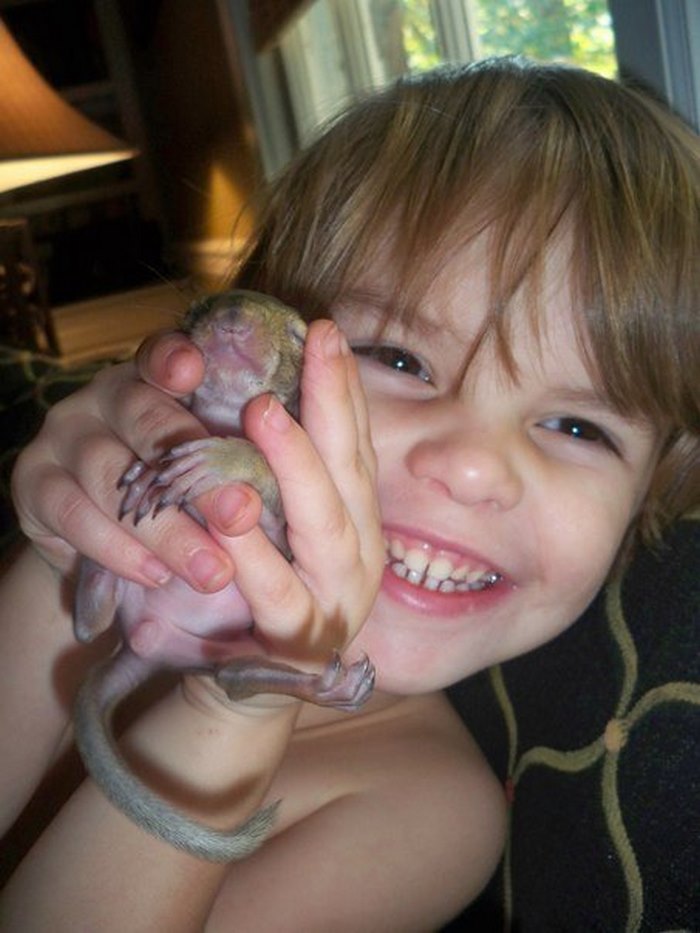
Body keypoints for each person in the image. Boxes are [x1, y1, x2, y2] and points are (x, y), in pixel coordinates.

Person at [1, 56, 698, 930]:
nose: (475, 466)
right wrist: (64, 548)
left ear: (645, 505)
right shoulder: (113, 562)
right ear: (265, 359)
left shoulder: (429, 810)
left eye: (580, 426)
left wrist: (229, 715)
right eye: (401, 360)